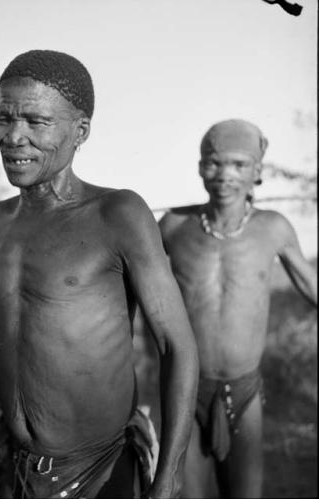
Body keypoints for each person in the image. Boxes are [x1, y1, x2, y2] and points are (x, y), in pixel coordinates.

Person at [0, 49, 198, 499]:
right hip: (12, 468)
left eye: (37, 122)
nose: (14, 136)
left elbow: (177, 346)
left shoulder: (118, 215)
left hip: (102, 470)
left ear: (81, 131)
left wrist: (168, 477)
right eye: (4, 117)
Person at [158, 119, 317, 498]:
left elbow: (313, 287)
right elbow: (127, 290)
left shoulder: (273, 228)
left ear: (257, 172)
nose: (225, 175)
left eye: (239, 165)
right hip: (185, 388)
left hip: (244, 391)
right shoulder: (174, 225)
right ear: (200, 167)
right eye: (214, 163)